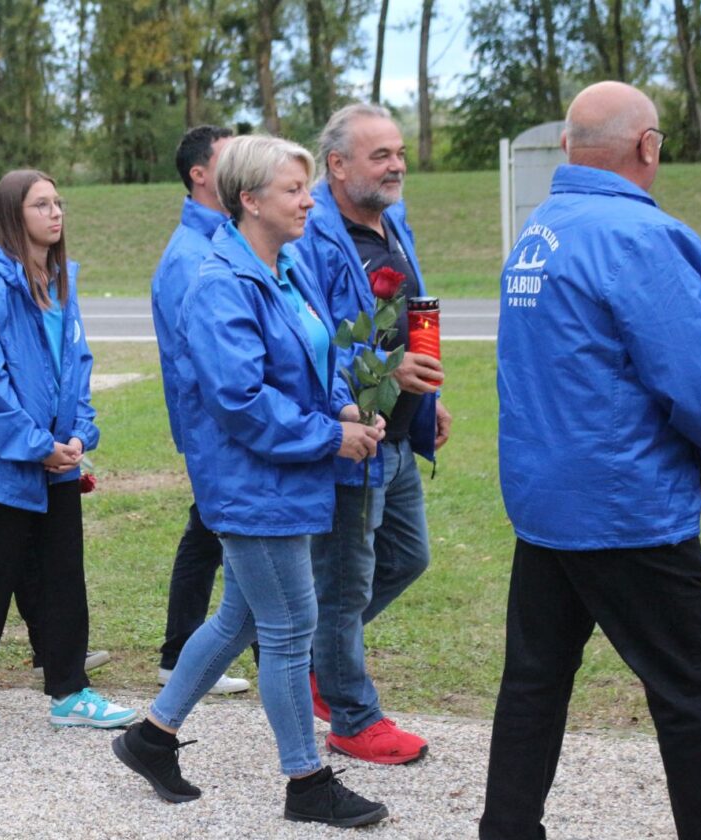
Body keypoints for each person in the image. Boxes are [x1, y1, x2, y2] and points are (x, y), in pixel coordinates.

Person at [481, 81, 701, 839]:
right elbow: (691, 371)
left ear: (569, 147)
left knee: (533, 685)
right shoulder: (638, 235)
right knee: (690, 692)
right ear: (648, 146)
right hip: (628, 507)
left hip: (547, 504)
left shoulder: (540, 229)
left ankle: (506, 829)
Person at [112, 135, 388, 828]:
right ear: (249, 200)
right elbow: (240, 400)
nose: (309, 200)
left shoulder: (282, 265)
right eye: (294, 190)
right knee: (291, 629)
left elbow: (302, 363)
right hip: (250, 481)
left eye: (306, 188)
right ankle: (307, 781)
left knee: (239, 618)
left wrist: (344, 409)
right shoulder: (218, 281)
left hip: (281, 473)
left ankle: (152, 737)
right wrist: (332, 436)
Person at [0, 169, 133, 729]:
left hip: (58, 457)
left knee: (64, 569)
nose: (56, 213)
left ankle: (69, 691)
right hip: (7, 460)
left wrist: (80, 435)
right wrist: (35, 446)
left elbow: (77, 366)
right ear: (15, 215)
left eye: (59, 202)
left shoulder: (62, 281)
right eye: (42, 204)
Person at [294, 103, 450, 764]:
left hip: (399, 430)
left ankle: (317, 660)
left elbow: (407, 317)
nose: (396, 165)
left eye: (398, 152)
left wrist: (429, 395)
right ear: (336, 165)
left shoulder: (392, 221)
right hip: (355, 436)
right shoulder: (311, 239)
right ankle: (353, 716)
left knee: (408, 555)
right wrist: (387, 373)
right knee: (344, 586)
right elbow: (313, 347)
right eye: (379, 155)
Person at [149, 125, 249, 697]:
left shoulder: (225, 238)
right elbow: (201, 361)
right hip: (219, 424)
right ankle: (182, 654)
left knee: (211, 532)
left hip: (227, 423)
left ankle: (180, 651)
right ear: (200, 174)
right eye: (231, 155)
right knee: (216, 532)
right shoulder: (191, 256)